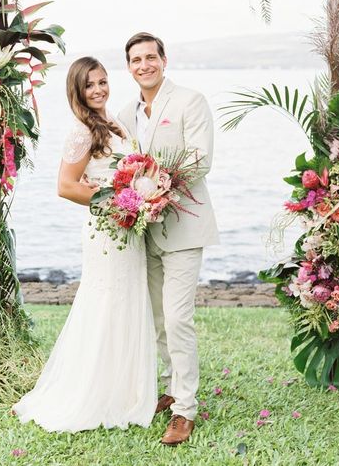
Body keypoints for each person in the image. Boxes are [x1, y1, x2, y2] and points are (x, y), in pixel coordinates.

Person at [12, 56, 157, 431]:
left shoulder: (116, 123)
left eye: (103, 82)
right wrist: (116, 201)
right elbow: (65, 186)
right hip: (107, 233)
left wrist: (141, 196)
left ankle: (128, 390)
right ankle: (96, 392)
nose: (98, 90)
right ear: (77, 91)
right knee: (106, 305)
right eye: (89, 85)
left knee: (128, 303)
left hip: (129, 231)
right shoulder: (82, 131)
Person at [118, 32, 219, 445]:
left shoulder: (189, 101)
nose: (144, 65)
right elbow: (122, 165)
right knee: (158, 320)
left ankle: (186, 410)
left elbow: (200, 159)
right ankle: (171, 388)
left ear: (164, 59)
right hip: (144, 232)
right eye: (135, 60)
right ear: (128, 67)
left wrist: (157, 186)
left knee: (178, 319)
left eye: (150, 57)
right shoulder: (126, 113)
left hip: (182, 225)